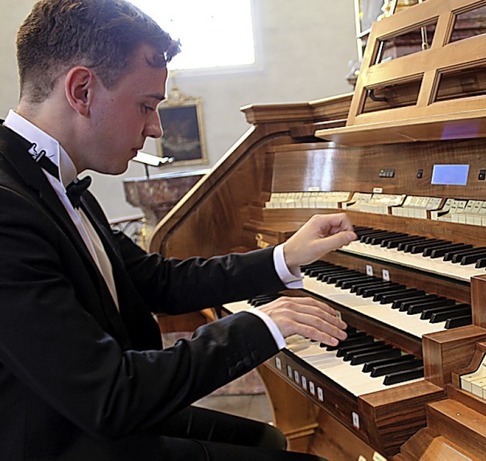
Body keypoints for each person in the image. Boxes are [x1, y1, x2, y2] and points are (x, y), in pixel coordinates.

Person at [0, 1, 357, 459]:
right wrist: (261, 325)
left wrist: (284, 257)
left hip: (88, 411)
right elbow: (109, 397)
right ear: (82, 90)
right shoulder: (8, 209)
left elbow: (155, 281)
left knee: (263, 438)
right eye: (146, 105)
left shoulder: (57, 182)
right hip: (54, 437)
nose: (156, 127)